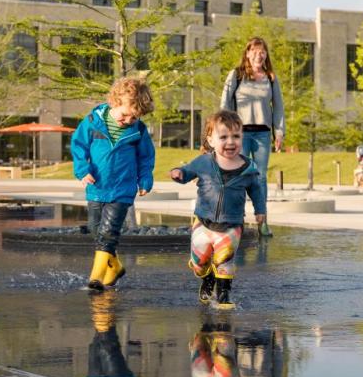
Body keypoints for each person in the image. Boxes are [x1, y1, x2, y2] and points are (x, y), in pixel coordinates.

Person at [170, 110, 265, 308]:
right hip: (203, 223)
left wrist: (260, 210)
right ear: (211, 140)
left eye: (236, 136)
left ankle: (224, 294)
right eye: (224, 137)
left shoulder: (248, 168)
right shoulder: (204, 162)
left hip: (232, 224)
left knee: (225, 259)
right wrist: (179, 173)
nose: (231, 142)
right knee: (199, 262)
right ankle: (206, 278)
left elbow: (256, 190)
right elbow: (188, 172)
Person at [71, 77, 155, 290]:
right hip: (97, 186)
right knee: (95, 230)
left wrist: (145, 179)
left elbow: (146, 158)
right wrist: (82, 170)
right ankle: (115, 266)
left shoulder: (138, 131)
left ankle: (96, 278)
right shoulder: (92, 121)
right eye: (125, 114)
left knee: (108, 232)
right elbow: (78, 146)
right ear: (113, 102)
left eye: (134, 117)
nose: (127, 120)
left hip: (122, 189)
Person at [220, 37, 284, 237]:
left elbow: (279, 108)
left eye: (262, 51)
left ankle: (262, 220)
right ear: (247, 53)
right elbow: (225, 103)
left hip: (262, 134)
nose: (259, 54)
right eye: (255, 51)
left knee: (260, 177)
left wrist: (279, 132)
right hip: (239, 134)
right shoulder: (236, 75)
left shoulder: (271, 78)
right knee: (238, 175)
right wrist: (225, 132)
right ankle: (235, 219)